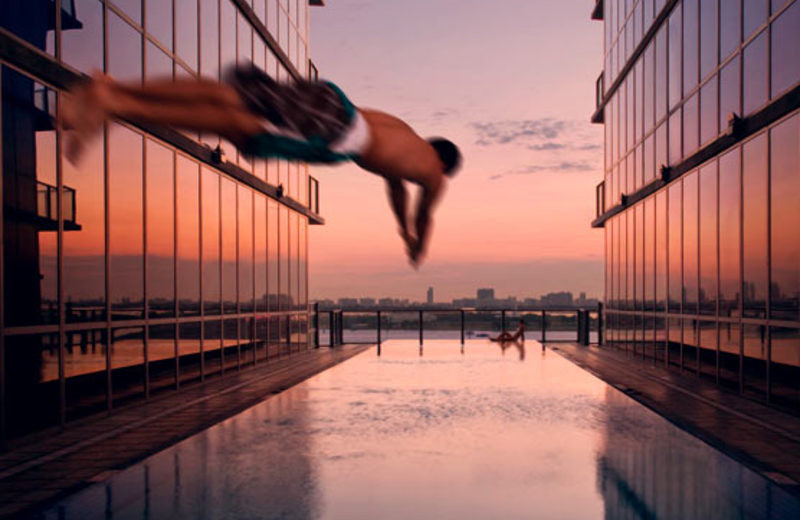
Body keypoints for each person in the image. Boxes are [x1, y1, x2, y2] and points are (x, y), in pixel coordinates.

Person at [61, 65, 462, 267]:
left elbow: (394, 187)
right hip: (336, 133)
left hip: (336, 102)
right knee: (242, 130)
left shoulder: (406, 138)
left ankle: (112, 88)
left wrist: (400, 228)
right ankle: (116, 104)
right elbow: (424, 214)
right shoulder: (434, 173)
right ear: (443, 165)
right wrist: (416, 244)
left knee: (232, 98)